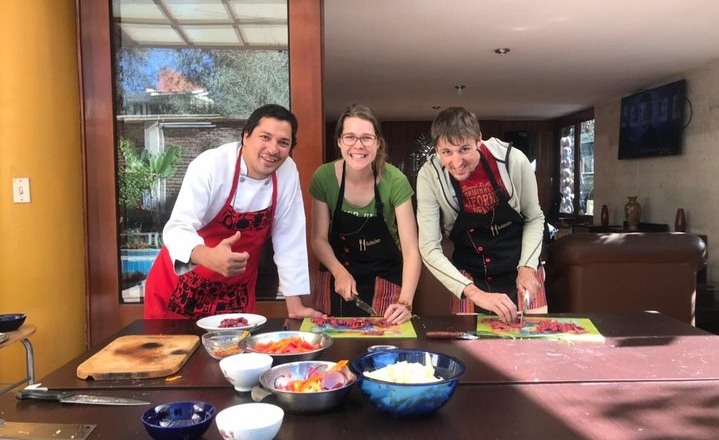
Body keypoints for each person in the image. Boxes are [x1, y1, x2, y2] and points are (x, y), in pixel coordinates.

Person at [144, 104, 322, 320]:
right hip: (178, 292)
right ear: (246, 136)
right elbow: (177, 227)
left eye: (283, 142)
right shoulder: (211, 164)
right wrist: (208, 256)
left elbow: (289, 238)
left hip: (233, 296)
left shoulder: (287, 172)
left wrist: (295, 305)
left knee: (235, 353)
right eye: (265, 137)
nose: (273, 149)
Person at [416, 107, 545, 323]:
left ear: (479, 141)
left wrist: (527, 266)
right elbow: (428, 247)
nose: (456, 162)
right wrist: (474, 293)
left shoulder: (513, 160)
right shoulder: (429, 176)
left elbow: (535, 218)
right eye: (446, 152)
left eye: (464, 149)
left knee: (536, 344)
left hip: (521, 265)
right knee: (468, 348)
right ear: (437, 150)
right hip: (468, 274)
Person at [309, 104, 420, 324]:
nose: (358, 146)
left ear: (377, 143)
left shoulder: (395, 181)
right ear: (339, 141)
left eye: (367, 138)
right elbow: (318, 239)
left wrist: (406, 302)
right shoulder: (324, 177)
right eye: (350, 137)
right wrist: (339, 272)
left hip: (385, 282)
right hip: (336, 280)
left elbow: (411, 250)